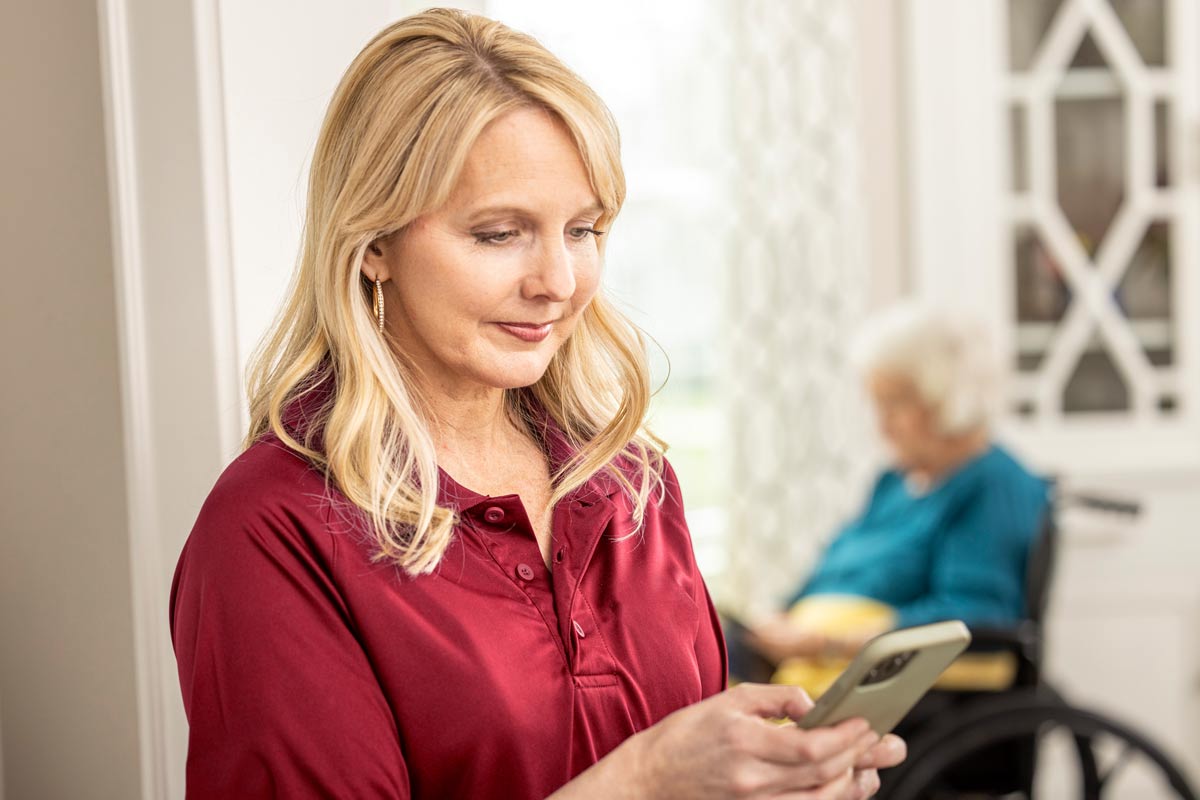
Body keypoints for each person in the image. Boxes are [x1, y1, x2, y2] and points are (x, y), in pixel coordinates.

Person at [168, 9, 904, 799]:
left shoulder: (634, 483)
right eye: (498, 234)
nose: (558, 280)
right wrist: (647, 780)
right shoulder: (274, 528)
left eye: (583, 229)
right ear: (373, 242)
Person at [739, 303, 1050, 683]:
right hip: (807, 661)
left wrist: (828, 642)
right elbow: (837, 569)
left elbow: (976, 613)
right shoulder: (893, 482)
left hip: (884, 685)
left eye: (895, 403)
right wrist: (781, 616)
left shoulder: (992, 484)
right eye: (877, 403)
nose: (882, 424)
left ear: (946, 398)